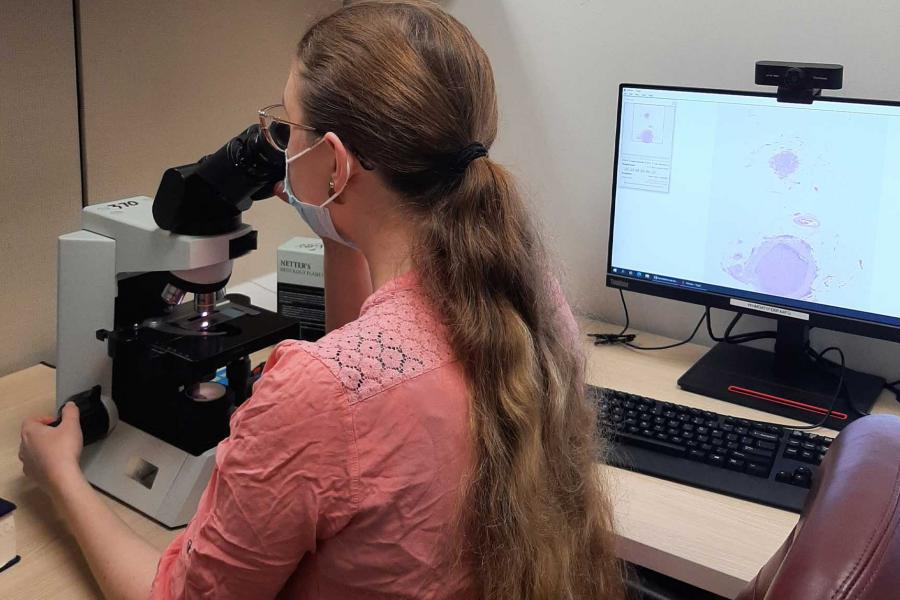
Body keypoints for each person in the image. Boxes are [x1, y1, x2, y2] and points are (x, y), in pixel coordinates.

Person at [19, 1, 623, 598]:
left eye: (289, 126)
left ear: (334, 161)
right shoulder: (528, 303)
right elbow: (361, 363)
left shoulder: (319, 393)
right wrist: (338, 229)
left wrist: (62, 477)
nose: (279, 143)